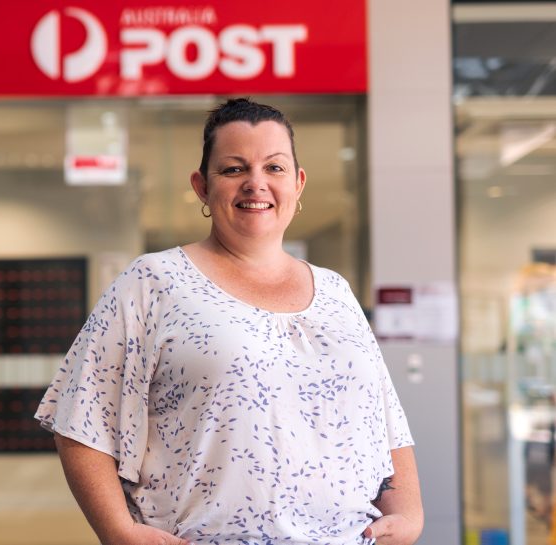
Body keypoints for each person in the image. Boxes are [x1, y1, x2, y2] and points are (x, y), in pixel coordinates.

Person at [34, 98, 423, 545]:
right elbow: (81, 417)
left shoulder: (335, 291)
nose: (255, 184)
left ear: (298, 184)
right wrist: (118, 530)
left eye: (274, 168)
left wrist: (409, 511)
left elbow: (386, 418)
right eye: (234, 169)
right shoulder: (154, 281)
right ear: (202, 186)